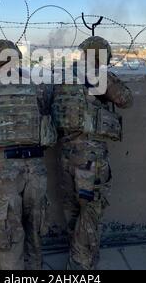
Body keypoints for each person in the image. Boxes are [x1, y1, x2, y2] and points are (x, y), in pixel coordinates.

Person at [0, 40, 56, 271]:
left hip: (6, 169)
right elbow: (45, 112)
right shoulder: (38, 86)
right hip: (36, 167)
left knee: (7, 230)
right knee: (34, 230)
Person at [52, 36, 133, 270]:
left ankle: (78, 256)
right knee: (91, 211)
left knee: (72, 210)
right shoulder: (98, 76)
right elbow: (125, 100)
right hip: (91, 157)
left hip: (66, 154)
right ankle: (81, 266)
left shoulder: (64, 75)